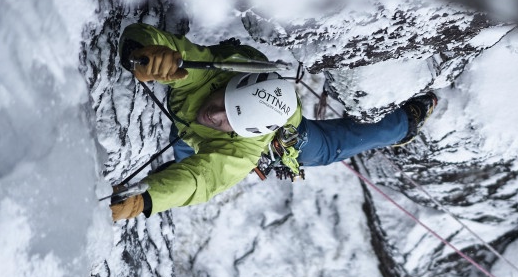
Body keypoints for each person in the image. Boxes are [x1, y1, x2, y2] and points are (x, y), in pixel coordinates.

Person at [110, 22, 438, 221]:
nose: (215, 115)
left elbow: (206, 179)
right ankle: (404, 124)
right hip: (212, 123)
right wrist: (145, 52)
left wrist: (148, 199)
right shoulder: (204, 72)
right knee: (186, 150)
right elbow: (157, 41)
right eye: (224, 104)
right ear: (228, 88)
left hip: (286, 135)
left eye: (229, 122)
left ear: (245, 134)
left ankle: (405, 122)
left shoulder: (243, 149)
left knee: (330, 147)